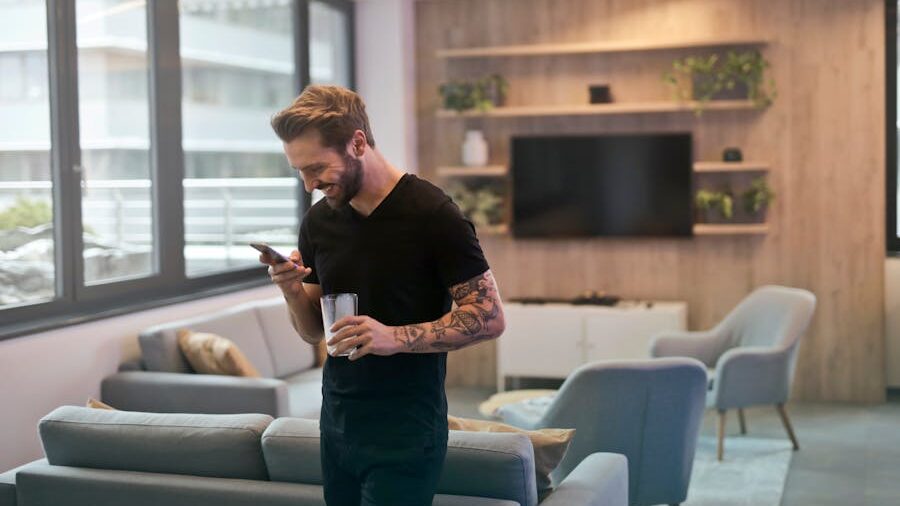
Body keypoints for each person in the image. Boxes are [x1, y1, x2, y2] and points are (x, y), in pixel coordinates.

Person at [259, 84, 506, 506]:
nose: (308, 185)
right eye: (299, 172)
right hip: (336, 423)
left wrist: (393, 337)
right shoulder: (319, 222)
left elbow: (489, 316)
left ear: (358, 142)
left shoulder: (432, 214)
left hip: (407, 429)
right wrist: (290, 290)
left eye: (316, 168)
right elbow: (312, 333)